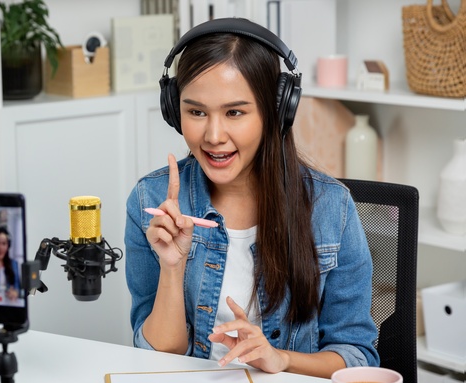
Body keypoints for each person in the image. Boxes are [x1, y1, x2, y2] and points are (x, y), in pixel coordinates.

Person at [124, 17, 379, 379]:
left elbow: (356, 354)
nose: (213, 135)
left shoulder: (331, 208)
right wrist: (171, 266)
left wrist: (280, 359)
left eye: (235, 112)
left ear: (275, 111)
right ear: (173, 110)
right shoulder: (149, 201)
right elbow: (157, 356)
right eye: (196, 112)